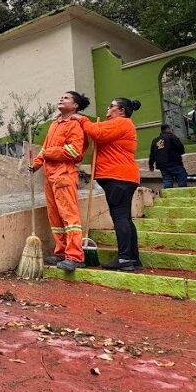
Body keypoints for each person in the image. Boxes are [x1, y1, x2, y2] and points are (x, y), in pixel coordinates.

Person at [77, 98, 143, 271]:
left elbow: (98, 133)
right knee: (125, 218)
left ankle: (124, 259)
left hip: (118, 177)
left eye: (111, 106)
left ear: (121, 110)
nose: (108, 108)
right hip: (123, 177)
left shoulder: (120, 122)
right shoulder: (120, 124)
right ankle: (133, 258)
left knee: (120, 217)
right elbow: (100, 133)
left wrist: (83, 120)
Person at [28, 91, 90, 272]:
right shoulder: (55, 124)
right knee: (55, 217)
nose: (61, 99)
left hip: (65, 174)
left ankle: (75, 256)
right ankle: (61, 252)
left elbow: (74, 152)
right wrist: (36, 164)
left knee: (69, 216)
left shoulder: (76, 124)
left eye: (67, 98)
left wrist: (49, 153)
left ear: (75, 106)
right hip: (50, 176)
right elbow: (45, 148)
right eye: (61, 97)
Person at [149, 124, 187, 188]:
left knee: (167, 180)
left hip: (162, 165)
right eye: (171, 128)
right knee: (181, 177)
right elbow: (181, 148)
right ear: (168, 129)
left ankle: (168, 195)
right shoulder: (172, 137)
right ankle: (183, 192)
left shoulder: (155, 140)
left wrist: (151, 165)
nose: (172, 130)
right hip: (174, 162)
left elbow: (152, 154)